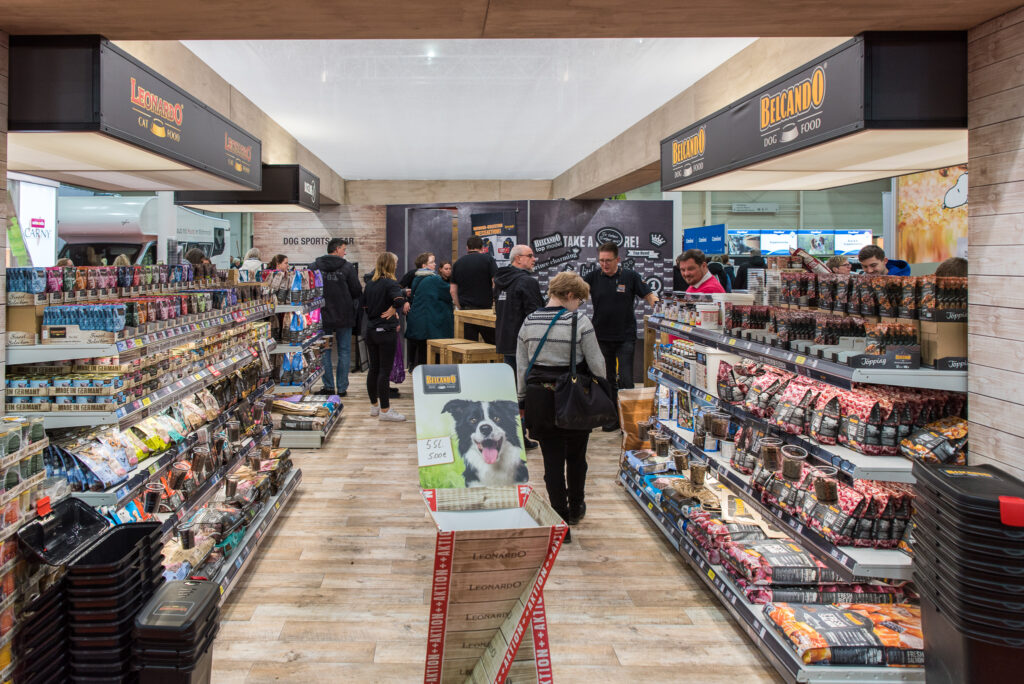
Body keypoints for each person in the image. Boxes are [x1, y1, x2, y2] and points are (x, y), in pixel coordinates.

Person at [516, 272, 607, 542]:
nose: (579, 305)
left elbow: (522, 366)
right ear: (569, 295)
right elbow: (597, 364)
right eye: (579, 299)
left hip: (539, 399)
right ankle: (576, 507)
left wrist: (521, 400)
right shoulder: (579, 321)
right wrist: (603, 390)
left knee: (551, 462)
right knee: (577, 457)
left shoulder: (529, 321)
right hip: (574, 398)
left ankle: (560, 521)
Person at [583, 242, 659, 432]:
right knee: (607, 378)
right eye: (601, 260)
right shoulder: (592, 277)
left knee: (626, 379)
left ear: (618, 259)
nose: (604, 264)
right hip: (601, 336)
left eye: (608, 260)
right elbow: (575, 293)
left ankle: (629, 420)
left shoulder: (630, 276)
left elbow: (649, 296)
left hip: (625, 336)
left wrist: (660, 310)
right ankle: (613, 418)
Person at [495, 244, 544, 450]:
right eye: (530, 256)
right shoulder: (527, 281)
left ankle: (513, 434)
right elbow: (536, 315)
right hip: (523, 344)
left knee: (511, 391)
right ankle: (520, 436)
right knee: (523, 393)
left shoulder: (500, 280)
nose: (534, 259)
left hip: (506, 341)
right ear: (518, 259)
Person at [315, 238, 362, 397]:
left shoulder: (314, 266)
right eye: (343, 249)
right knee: (344, 351)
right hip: (344, 315)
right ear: (336, 249)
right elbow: (356, 290)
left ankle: (328, 387)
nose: (345, 252)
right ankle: (341, 388)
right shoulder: (348, 267)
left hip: (322, 315)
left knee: (324, 351)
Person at [363, 252, 407, 422]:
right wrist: (394, 308)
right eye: (395, 262)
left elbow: (364, 306)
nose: (397, 265)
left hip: (371, 330)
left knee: (374, 369)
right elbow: (399, 300)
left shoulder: (370, 284)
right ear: (390, 264)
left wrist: (389, 308)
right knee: (384, 371)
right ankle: (385, 410)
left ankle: (374, 406)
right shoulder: (390, 283)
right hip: (385, 332)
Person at [405, 253, 454, 371]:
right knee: (432, 355)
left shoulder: (417, 278)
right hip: (430, 325)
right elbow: (450, 293)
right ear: (424, 265)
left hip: (418, 323)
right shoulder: (434, 279)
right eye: (432, 262)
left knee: (422, 353)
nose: (435, 264)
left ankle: (421, 377)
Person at [451, 236, 497, 343]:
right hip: (485, 311)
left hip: (466, 312)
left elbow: (452, 290)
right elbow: (495, 282)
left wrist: (460, 307)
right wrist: (494, 298)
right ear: (482, 247)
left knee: (468, 346)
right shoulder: (488, 260)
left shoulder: (458, 263)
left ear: (467, 248)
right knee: (492, 345)